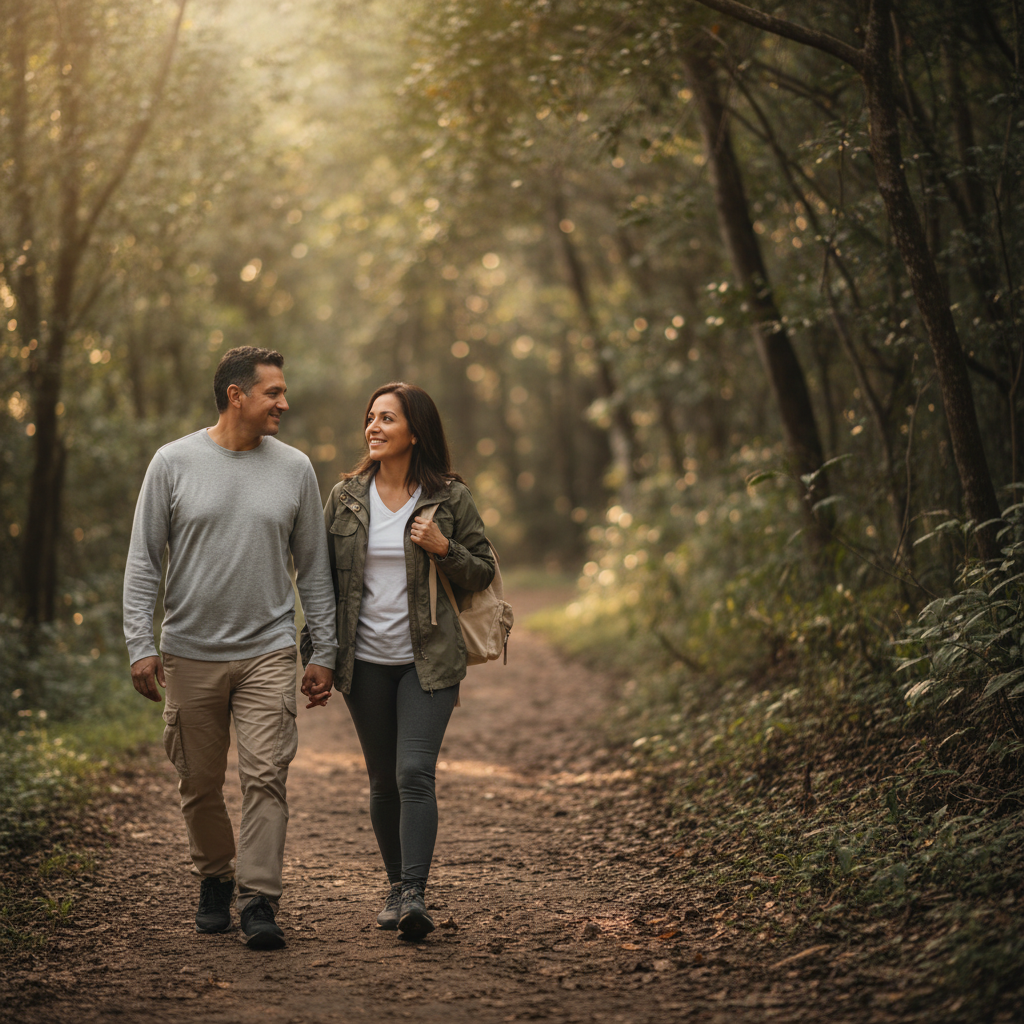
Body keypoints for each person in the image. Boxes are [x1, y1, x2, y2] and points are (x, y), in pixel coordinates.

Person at [123, 346, 337, 950]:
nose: (285, 403)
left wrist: (323, 650)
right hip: (189, 652)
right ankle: (216, 877)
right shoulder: (172, 462)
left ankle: (260, 899)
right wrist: (141, 642)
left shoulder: (294, 468)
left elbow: (315, 571)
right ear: (236, 395)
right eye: (274, 392)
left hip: (268, 650)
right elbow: (144, 561)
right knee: (199, 782)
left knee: (267, 776)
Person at [302, 382, 494, 939]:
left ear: (415, 430)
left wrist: (443, 548)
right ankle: (394, 886)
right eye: (370, 418)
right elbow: (319, 581)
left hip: (428, 660)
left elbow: (481, 572)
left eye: (387, 418)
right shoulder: (345, 497)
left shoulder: (450, 498)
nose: (374, 427)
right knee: (383, 780)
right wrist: (315, 653)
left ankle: (414, 894)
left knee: (414, 773)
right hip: (364, 663)